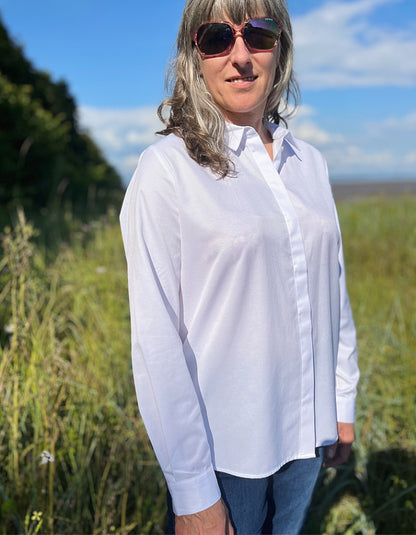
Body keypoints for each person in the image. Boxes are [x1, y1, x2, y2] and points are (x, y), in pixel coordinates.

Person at [120, 0, 360, 533]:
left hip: (308, 434)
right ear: (194, 55)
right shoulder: (166, 170)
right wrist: (193, 497)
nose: (240, 56)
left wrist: (342, 400)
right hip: (226, 453)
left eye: (258, 34)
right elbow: (156, 342)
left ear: (281, 49)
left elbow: (331, 289)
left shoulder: (310, 163)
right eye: (216, 39)